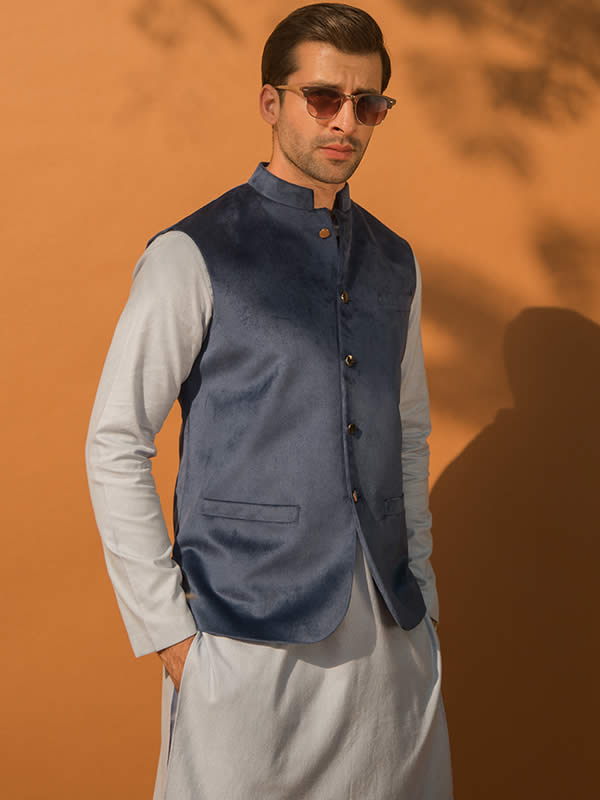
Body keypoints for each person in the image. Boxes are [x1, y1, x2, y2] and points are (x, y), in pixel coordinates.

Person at [85, 3, 454, 798]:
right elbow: (114, 441)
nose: (345, 121)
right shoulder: (192, 253)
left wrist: (422, 600)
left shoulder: (394, 262)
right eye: (323, 98)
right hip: (242, 637)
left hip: (390, 636)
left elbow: (407, 433)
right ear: (271, 103)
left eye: (367, 104)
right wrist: (169, 635)